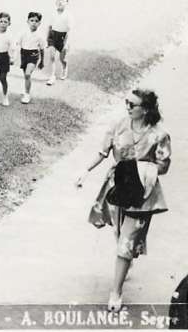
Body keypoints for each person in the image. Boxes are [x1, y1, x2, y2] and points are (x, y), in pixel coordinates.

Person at [75, 89, 171, 311]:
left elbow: (164, 166)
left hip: (144, 194)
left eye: (132, 105)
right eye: (126, 102)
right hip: (118, 188)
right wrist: (85, 171)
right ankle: (128, 259)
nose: (127, 107)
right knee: (120, 235)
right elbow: (103, 151)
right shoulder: (118, 125)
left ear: (145, 109)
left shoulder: (159, 134)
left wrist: (142, 169)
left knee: (126, 243)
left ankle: (116, 292)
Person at [16, 12, 46, 104]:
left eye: (36, 21)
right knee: (25, 75)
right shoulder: (23, 32)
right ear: (27, 21)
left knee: (28, 74)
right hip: (24, 54)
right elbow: (18, 44)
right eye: (31, 20)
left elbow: (42, 49)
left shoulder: (40, 35)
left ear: (39, 23)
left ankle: (27, 95)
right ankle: (26, 89)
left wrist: (42, 61)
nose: (34, 23)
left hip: (33, 55)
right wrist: (16, 57)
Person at [46, 0, 71, 86]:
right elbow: (49, 26)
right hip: (53, 35)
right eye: (59, 0)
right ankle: (52, 76)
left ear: (67, 3)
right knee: (52, 57)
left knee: (62, 58)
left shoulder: (68, 15)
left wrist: (66, 42)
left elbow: (69, 31)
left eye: (63, 1)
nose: (60, 2)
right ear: (56, 2)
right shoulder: (53, 13)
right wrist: (47, 38)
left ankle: (65, 67)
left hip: (63, 37)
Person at [0, 12, 16, 107]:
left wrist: (12, 58)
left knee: (3, 78)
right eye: (1, 21)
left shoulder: (10, 35)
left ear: (9, 23)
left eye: (5, 22)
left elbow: (12, 47)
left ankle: (5, 97)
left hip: (4, 57)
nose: (3, 23)